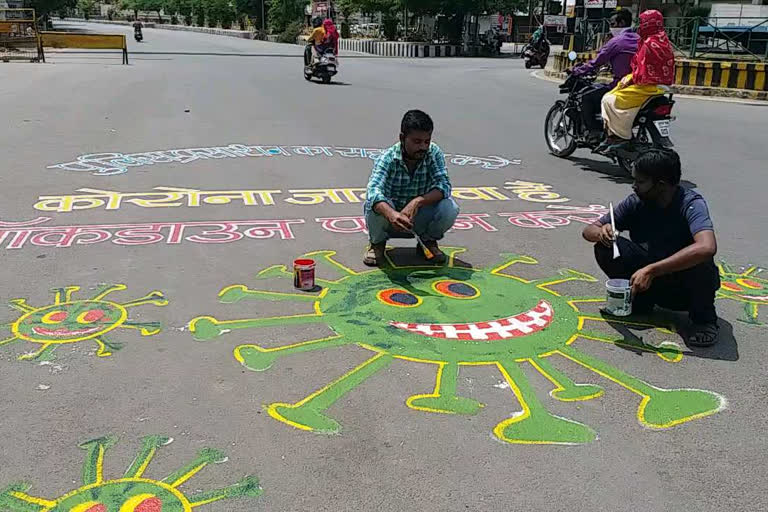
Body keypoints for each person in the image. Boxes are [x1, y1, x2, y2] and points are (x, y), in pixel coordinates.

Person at [582, 149, 721, 346]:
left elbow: (707, 247)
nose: (634, 186)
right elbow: (589, 230)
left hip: (684, 289)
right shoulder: (636, 202)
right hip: (648, 281)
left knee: (701, 260)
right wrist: (602, 232)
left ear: (661, 185)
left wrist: (653, 270)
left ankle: (704, 320)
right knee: (606, 246)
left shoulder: (690, 204)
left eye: (640, 182)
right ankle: (641, 303)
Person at [363, 110, 459, 267]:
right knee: (374, 203)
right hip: (390, 221)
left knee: (450, 207)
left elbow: (444, 185)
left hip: (418, 219)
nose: (423, 147)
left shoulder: (433, 153)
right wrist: (391, 214)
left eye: (426, 141)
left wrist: (417, 202)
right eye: (417, 141)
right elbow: (373, 191)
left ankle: (427, 242)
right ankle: (377, 244)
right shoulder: (388, 158)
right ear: (402, 138)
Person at [599, 10, 675, 149]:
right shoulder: (664, 41)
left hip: (645, 86)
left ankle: (619, 135)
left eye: (642, 22)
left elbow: (642, 71)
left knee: (608, 99)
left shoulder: (648, 44)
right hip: (659, 86)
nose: (640, 26)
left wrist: (629, 79)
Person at [571, 9, 639, 142]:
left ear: (622, 23)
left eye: (613, 24)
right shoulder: (640, 40)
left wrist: (576, 71)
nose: (611, 27)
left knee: (586, 97)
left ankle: (594, 133)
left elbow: (596, 62)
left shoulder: (617, 42)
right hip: (640, 86)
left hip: (621, 85)